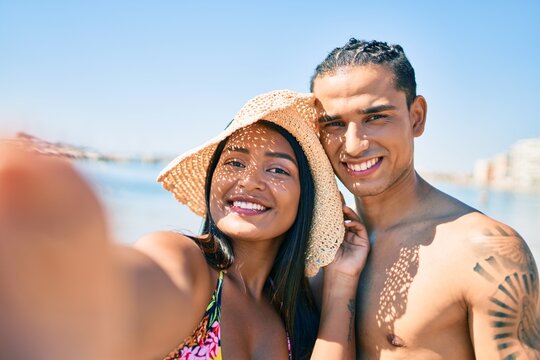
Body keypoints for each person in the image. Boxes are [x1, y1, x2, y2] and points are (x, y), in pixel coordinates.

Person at [0, 90, 369, 360]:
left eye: (277, 170)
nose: (249, 182)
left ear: (305, 199)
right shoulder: (189, 263)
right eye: (234, 163)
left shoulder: (291, 311)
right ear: (212, 181)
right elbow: (133, 292)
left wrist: (342, 286)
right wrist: (57, 278)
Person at [309, 39, 539, 359]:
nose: (353, 145)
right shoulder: (317, 252)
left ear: (416, 117)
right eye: (333, 123)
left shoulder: (483, 251)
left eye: (375, 117)